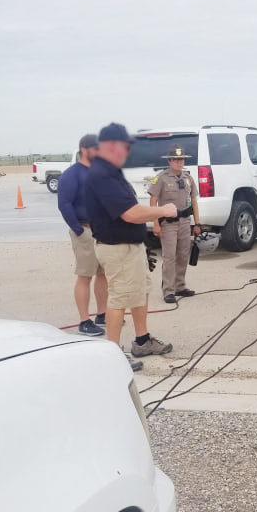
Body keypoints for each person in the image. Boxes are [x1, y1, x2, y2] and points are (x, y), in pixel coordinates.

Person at [84, 123, 177, 369]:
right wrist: (163, 210)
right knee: (120, 298)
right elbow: (130, 214)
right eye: (125, 146)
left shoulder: (111, 172)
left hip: (130, 247)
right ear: (111, 146)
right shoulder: (102, 175)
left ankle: (142, 340)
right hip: (117, 248)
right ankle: (112, 355)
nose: (127, 152)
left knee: (139, 292)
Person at [57, 133, 108, 337]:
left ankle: (102, 314)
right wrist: (78, 230)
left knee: (103, 274)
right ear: (84, 149)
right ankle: (84, 320)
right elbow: (64, 204)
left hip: (102, 230)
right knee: (85, 275)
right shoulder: (72, 174)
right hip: (84, 230)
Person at [149, 145, 200, 304]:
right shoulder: (161, 178)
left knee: (183, 255)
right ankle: (168, 290)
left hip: (185, 222)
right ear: (170, 161)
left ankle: (180, 286)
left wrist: (197, 223)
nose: (179, 163)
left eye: (182, 160)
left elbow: (194, 201)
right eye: (176, 160)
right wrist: (155, 223)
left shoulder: (188, 178)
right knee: (169, 256)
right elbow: (153, 201)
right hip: (169, 224)